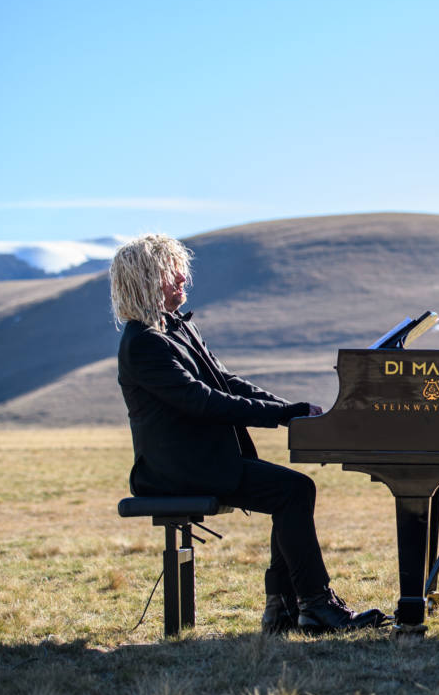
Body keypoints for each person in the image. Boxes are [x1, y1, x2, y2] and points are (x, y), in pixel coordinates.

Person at [109, 233, 380, 634]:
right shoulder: (143, 344)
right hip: (179, 468)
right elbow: (203, 401)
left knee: (292, 491)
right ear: (146, 279)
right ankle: (312, 606)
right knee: (292, 491)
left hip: (203, 460)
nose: (183, 278)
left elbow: (227, 383)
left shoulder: (176, 328)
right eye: (172, 272)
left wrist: (292, 411)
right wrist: (285, 414)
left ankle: (287, 609)